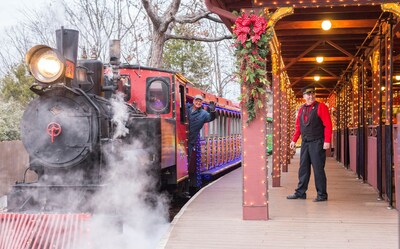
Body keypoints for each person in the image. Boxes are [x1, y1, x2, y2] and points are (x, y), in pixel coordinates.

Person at [287, 85, 332, 202]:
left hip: (317, 142)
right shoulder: (301, 109)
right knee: (303, 168)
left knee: (318, 169)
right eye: (308, 94)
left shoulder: (321, 107)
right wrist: (293, 140)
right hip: (306, 142)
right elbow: (298, 127)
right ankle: (300, 192)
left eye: (312, 93)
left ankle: (322, 195)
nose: (311, 96)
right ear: (304, 96)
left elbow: (328, 124)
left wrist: (327, 141)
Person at [185, 94, 216, 195]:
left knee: (187, 161)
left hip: (191, 140)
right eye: (197, 101)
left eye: (200, 101)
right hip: (180, 136)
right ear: (193, 101)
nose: (198, 103)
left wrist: (212, 111)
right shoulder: (186, 108)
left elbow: (211, 118)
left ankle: (186, 182)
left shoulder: (203, 113)